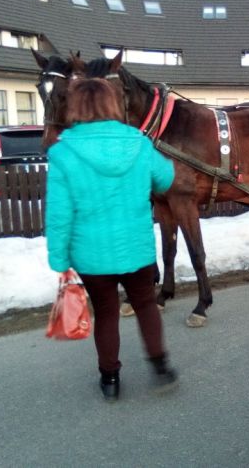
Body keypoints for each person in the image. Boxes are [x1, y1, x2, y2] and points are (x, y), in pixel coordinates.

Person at [45, 78, 177, 401]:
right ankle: (160, 365)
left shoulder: (63, 152)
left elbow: (59, 214)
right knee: (145, 304)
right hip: (137, 248)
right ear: (113, 104)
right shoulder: (138, 143)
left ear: (76, 106)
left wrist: (59, 259)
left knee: (106, 312)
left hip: (91, 255)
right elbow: (166, 178)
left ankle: (110, 379)